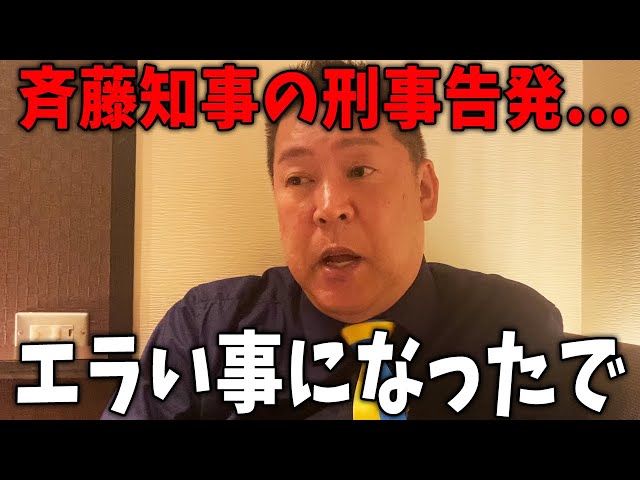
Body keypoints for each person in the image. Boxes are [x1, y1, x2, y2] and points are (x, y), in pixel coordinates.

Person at [101, 60, 584, 420]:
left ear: (423, 190)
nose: (329, 207)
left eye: (359, 170)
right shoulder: (205, 332)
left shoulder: (512, 328)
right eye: (298, 179)